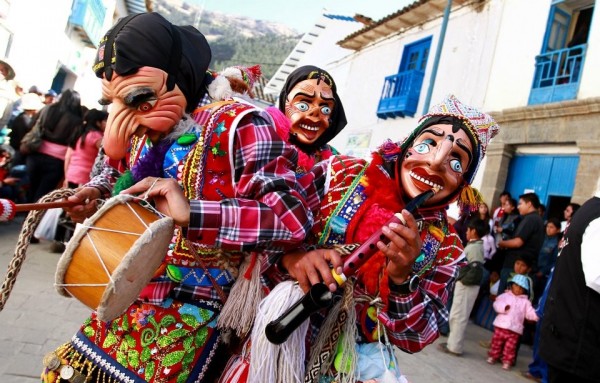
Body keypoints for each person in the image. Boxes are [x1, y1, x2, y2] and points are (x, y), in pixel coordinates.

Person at [41, 13, 317, 383]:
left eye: (137, 99)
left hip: (197, 312)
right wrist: (98, 192)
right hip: (129, 295)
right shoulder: (144, 124)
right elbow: (117, 171)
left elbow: (289, 219)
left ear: (178, 72)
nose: (124, 118)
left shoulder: (241, 123)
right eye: (112, 104)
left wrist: (194, 214)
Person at [244, 94, 500, 383]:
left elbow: (415, 338)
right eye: (428, 143)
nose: (436, 162)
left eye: (456, 162)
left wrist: (401, 280)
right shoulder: (339, 174)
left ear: (463, 184)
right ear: (406, 145)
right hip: (270, 343)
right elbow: (258, 227)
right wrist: (292, 258)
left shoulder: (447, 248)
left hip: (351, 367)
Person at [540, 176, 600, 383]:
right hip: (579, 344)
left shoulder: (590, 210)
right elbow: (597, 278)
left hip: (571, 337)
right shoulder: (598, 216)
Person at [268, 65, 347, 173]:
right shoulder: (265, 146)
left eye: (325, 109)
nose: (315, 114)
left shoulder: (335, 162)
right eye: (303, 105)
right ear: (284, 101)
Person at [439, 216, 487, 356]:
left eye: (468, 230)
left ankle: (454, 347)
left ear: (473, 231)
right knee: (455, 314)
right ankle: (451, 343)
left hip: (467, 286)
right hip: (464, 284)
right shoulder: (474, 246)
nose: (466, 232)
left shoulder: (475, 248)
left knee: (459, 316)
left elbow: (475, 270)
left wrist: (462, 280)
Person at [25, 88, 83, 203]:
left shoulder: (48, 109)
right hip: (58, 160)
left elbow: (32, 125)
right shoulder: (77, 120)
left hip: (36, 152)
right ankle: (32, 216)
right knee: (44, 194)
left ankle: (24, 210)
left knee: (31, 187)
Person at [487, 274, 538, 371]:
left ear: (524, 290)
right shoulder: (504, 296)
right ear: (511, 286)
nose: (518, 289)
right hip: (501, 325)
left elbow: (529, 312)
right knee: (496, 343)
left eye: (521, 288)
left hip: (515, 329)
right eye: (516, 286)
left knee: (510, 347)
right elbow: (496, 304)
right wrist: (504, 307)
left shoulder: (526, 302)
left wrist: (536, 316)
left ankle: (507, 361)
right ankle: (493, 356)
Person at [496, 193, 544, 294]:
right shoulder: (536, 219)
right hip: (521, 266)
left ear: (529, 204)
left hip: (515, 266)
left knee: (505, 301)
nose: (518, 207)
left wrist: (501, 243)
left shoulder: (531, 219)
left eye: (520, 204)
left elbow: (518, 242)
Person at [63, 109, 108, 188]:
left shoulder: (78, 134)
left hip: (71, 174)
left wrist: (66, 177)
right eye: (105, 121)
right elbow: (107, 154)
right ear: (98, 122)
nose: (106, 123)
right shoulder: (96, 136)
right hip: (85, 177)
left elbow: (67, 157)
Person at [532, 217, 560, 305]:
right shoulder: (541, 239)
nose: (548, 229)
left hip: (544, 275)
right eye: (547, 226)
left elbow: (554, 261)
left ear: (558, 230)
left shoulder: (557, 243)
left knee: (538, 297)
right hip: (534, 270)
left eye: (551, 227)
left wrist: (543, 271)